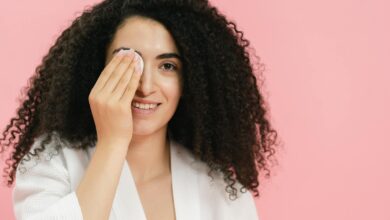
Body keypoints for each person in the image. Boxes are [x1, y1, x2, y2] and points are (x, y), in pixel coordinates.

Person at [0, 0, 279, 219]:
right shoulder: (52, 163)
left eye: (167, 66)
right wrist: (113, 142)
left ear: (189, 82)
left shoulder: (220, 188)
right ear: (97, 69)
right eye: (128, 62)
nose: (145, 86)